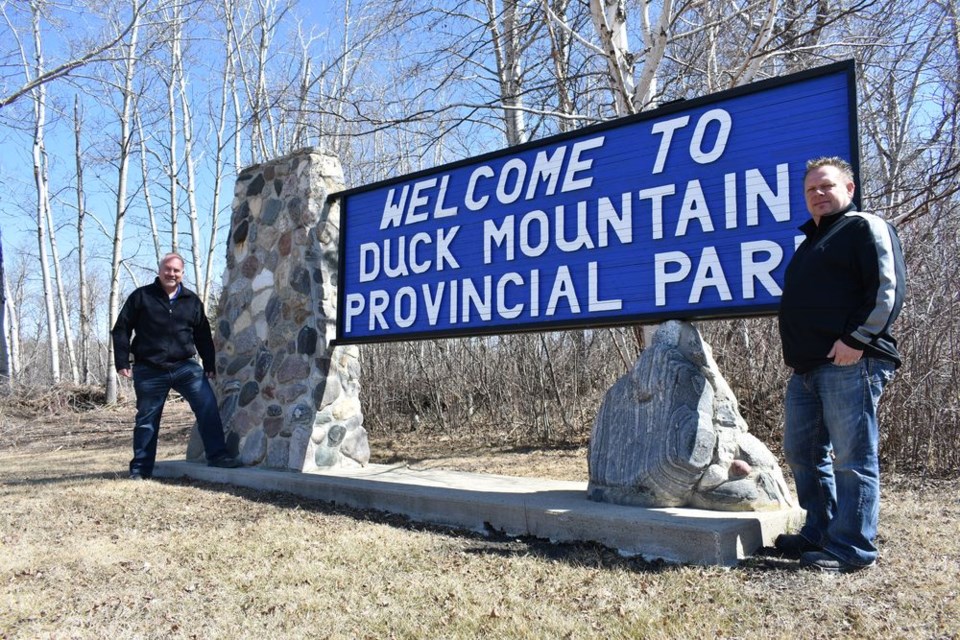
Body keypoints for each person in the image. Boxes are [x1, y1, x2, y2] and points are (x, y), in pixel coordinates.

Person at [775, 157, 906, 573]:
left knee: (852, 458)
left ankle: (852, 547)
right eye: (811, 189)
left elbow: (887, 289)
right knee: (802, 453)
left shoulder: (864, 226)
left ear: (849, 189)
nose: (818, 194)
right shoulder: (811, 241)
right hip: (807, 368)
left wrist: (855, 340)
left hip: (852, 362)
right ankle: (819, 531)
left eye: (827, 186)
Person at [112, 253, 241, 479]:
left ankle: (218, 456)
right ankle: (140, 470)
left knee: (207, 407)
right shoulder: (141, 296)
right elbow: (121, 328)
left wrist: (209, 363)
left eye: (176, 270)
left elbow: (202, 335)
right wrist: (122, 361)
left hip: (184, 367)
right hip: (149, 369)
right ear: (160, 270)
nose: (171, 274)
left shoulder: (191, 301)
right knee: (146, 421)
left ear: (182, 273)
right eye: (167, 269)